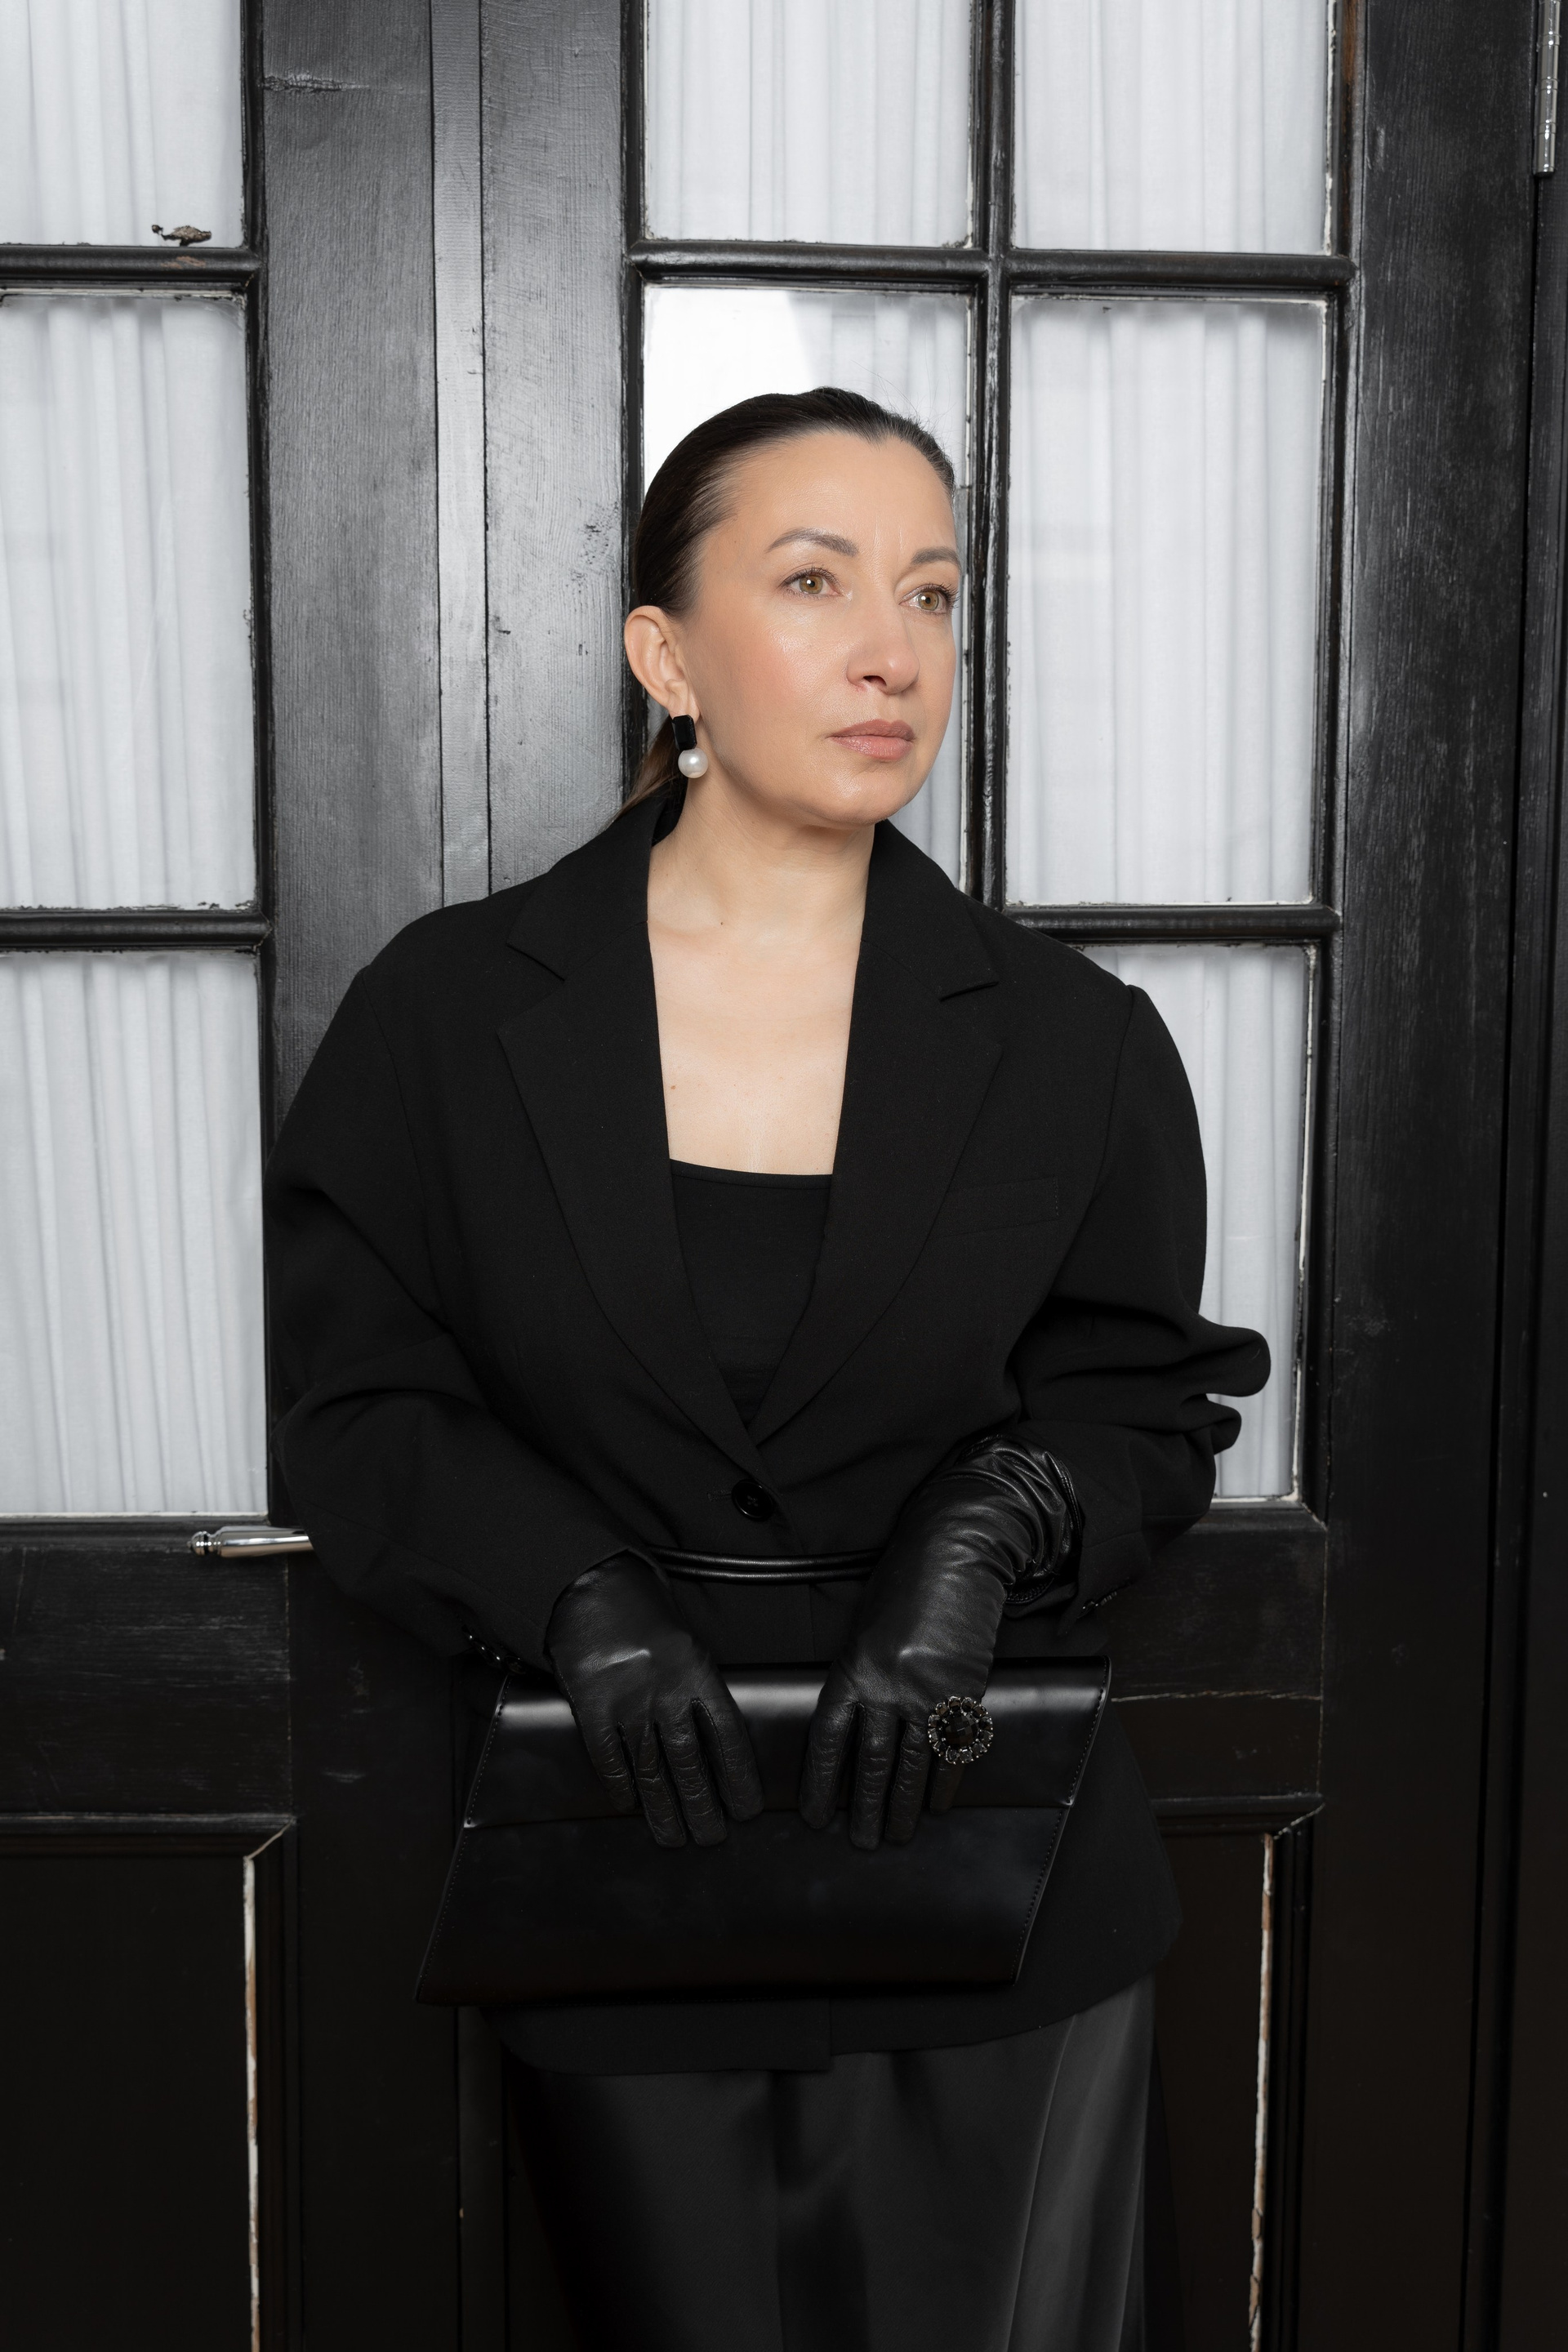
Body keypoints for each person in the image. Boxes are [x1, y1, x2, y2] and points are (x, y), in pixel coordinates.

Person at [265, 387, 1268, 2350]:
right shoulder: (445, 1014)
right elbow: (358, 1407)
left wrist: (993, 1526)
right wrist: (575, 1593)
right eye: (815, 582)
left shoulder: (1080, 1040)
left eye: (933, 593)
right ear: (667, 655)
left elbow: (1146, 1409)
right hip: (624, 1861)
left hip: (1003, 1875)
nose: (895, 651)